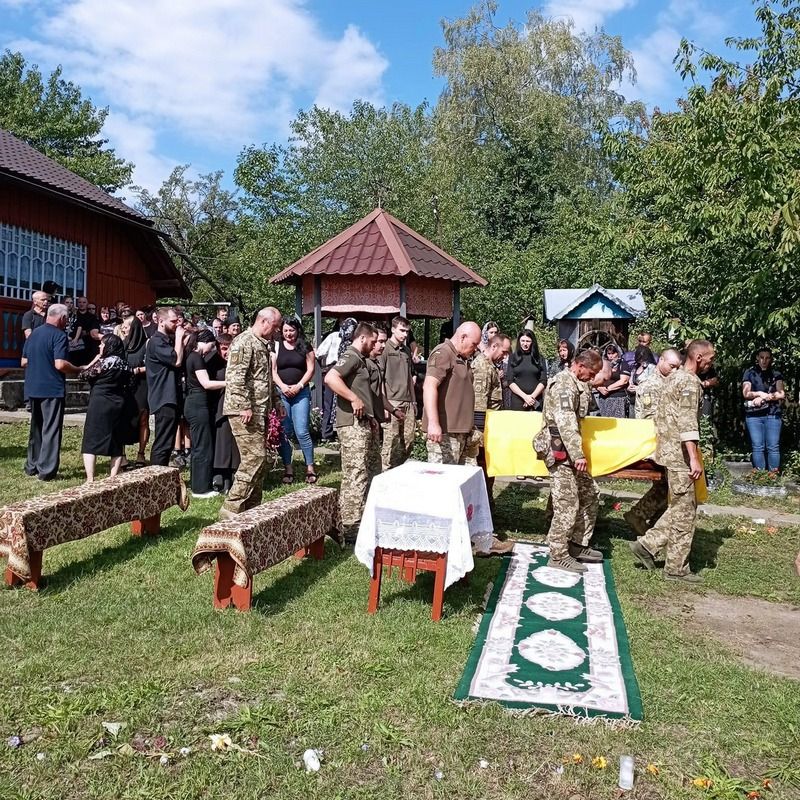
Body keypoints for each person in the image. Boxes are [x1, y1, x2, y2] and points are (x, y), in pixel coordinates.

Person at [628, 340, 716, 583]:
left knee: (680, 507)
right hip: (680, 457)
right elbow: (687, 423)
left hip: (669, 452)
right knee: (685, 513)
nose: (711, 363)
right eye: (710, 359)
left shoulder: (673, 378)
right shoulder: (689, 382)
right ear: (698, 357)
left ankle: (647, 546)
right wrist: (694, 459)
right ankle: (676, 568)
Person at [533, 349, 604, 573]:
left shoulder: (577, 383)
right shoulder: (564, 385)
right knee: (567, 503)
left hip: (569, 452)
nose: (592, 378)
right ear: (580, 366)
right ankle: (558, 554)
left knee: (590, 493)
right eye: (591, 373)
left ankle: (577, 544)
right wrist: (578, 454)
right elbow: (566, 423)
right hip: (560, 452)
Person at [219, 307, 284, 517]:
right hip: (244, 411)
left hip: (259, 410)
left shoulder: (262, 344)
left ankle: (252, 508)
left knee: (261, 461)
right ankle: (231, 508)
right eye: (275, 327)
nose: (276, 331)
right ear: (264, 321)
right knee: (254, 458)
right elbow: (235, 378)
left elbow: (265, 378)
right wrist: (244, 406)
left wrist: (276, 401)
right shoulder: (244, 342)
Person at [324, 322, 381, 540]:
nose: (375, 345)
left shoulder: (361, 360)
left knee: (368, 471)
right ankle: (349, 526)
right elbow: (331, 378)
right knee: (355, 474)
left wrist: (370, 416)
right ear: (362, 338)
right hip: (351, 424)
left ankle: (362, 518)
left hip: (363, 422)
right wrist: (353, 398)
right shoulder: (351, 356)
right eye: (373, 341)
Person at [623, 347, 683, 535]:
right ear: (661, 361)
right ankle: (639, 515)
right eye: (672, 366)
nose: (675, 370)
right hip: (654, 442)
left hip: (664, 441)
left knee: (668, 484)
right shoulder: (652, 385)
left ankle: (649, 519)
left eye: (678, 367)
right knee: (667, 483)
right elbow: (651, 420)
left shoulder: (667, 383)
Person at [21, 304, 80, 480]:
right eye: (67, 318)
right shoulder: (59, 335)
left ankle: (32, 465)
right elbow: (60, 364)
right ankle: (46, 470)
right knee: (51, 429)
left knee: (36, 428)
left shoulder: (33, 334)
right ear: (62, 318)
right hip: (52, 388)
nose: (67, 321)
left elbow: (24, 362)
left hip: (33, 387)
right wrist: (78, 369)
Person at [422, 321, 482, 464]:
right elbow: (429, 386)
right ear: (463, 337)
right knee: (444, 476)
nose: (475, 349)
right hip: (445, 434)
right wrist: (433, 423)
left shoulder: (462, 358)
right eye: (474, 344)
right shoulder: (443, 353)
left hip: (463, 433)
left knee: (467, 477)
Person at [80, 334, 136, 481]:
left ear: (109, 346)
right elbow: (131, 383)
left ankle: (90, 479)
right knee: (116, 440)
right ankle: (113, 477)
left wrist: (96, 359)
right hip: (118, 403)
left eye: (102, 344)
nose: (100, 346)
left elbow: (84, 375)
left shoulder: (103, 363)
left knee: (91, 439)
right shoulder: (125, 364)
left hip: (99, 402)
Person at [272, 317, 317, 484]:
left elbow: (311, 369)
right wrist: (282, 386)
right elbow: (273, 370)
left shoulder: (305, 346)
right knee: (284, 431)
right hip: (282, 393)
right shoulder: (276, 346)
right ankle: (288, 467)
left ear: (297, 330)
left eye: (291, 330)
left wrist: (299, 385)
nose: (288, 334)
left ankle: (310, 467)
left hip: (301, 393)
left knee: (302, 431)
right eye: (285, 330)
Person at [183, 329, 227, 497]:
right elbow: (206, 383)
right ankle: (201, 489)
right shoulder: (197, 358)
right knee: (203, 447)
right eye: (212, 345)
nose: (211, 349)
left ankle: (198, 484)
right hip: (197, 404)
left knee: (199, 446)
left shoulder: (191, 356)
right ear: (205, 342)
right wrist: (228, 382)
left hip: (193, 403)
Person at [146, 307, 186, 467]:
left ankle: (161, 473)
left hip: (171, 396)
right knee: (163, 443)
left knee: (168, 442)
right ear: (161, 321)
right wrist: (179, 338)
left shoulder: (166, 340)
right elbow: (176, 360)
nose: (177, 324)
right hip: (164, 397)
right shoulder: (156, 342)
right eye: (173, 321)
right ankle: (155, 475)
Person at [379, 316, 416, 470]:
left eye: (407, 331)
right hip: (392, 401)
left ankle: (399, 469)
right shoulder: (384, 349)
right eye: (402, 330)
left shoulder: (406, 350)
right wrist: (384, 405)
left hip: (407, 401)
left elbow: (409, 377)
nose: (405, 334)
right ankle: (385, 472)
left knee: (409, 439)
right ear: (393, 329)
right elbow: (379, 379)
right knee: (391, 440)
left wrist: (414, 401)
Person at [742, 348, 784, 471]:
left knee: (773, 447)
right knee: (757, 446)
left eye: (767, 358)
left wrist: (765, 398)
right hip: (754, 415)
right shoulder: (749, 373)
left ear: (771, 359)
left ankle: (773, 475)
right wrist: (759, 393)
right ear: (757, 358)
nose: (764, 360)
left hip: (772, 414)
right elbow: (746, 393)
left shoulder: (776, 374)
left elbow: (781, 394)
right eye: (761, 357)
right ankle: (760, 475)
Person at [121, 314, 150, 467]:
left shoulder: (147, 344)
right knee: (123, 419)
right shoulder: (122, 345)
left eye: (126, 327)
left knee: (143, 418)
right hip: (126, 386)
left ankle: (141, 454)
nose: (123, 330)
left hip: (142, 385)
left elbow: (152, 365)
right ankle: (122, 455)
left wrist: (138, 370)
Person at [212, 334, 240, 493]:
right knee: (222, 442)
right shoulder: (215, 365)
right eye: (223, 349)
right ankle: (221, 476)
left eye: (229, 348)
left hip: (237, 408)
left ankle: (234, 475)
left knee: (235, 443)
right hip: (220, 408)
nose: (227, 352)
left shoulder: (239, 365)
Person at [316, 321, 343, 442]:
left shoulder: (354, 338)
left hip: (340, 369)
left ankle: (329, 433)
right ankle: (327, 433)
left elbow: (319, 353)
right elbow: (319, 353)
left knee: (331, 402)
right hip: (333, 370)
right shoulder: (333, 336)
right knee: (330, 402)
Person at [508, 330, 547, 411]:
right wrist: (525, 397)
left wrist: (531, 397)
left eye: (528, 341)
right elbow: (510, 381)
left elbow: (543, 380)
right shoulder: (512, 358)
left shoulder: (539, 358)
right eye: (523, 341)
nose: (525, 344)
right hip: (518, 401)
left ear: (532, 342)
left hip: (535, 401)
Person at [596, 343, 630, 418]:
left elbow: (624, 380)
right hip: (603, 398)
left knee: (617, 422)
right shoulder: (602, 365)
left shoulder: (623, 364)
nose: (611, 356)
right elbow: (594, 378)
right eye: (609, 354)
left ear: (617, 353)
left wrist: (608, 389)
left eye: (613, 353)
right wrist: (599, 387)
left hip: (618, 398)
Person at [626, 345, 656, 417]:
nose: (641, 360)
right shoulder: (635, 367)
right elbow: (631, 381)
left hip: (646, 400)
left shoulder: (652, 368)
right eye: (640, 358)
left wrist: (639, 388)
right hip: (633, 400)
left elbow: (654, 385)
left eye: (643, 357)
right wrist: (629, 387)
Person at [76, 296, 101, 366]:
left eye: (84, 302)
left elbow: (94, 331)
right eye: (80, 302)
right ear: (77, 303)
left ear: (87, 304)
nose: (81, 304)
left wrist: (86, 332)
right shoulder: (74, 315)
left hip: (88, 345)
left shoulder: (92, 317)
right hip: (73, 345)